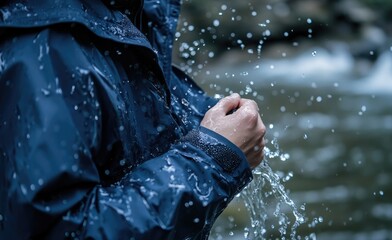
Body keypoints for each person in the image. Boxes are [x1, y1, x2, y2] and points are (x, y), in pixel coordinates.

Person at [0, 0, 266, 239]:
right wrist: (212, 160)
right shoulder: (43, 46)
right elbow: (58, 231)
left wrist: (221, 126)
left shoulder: (122, 17)